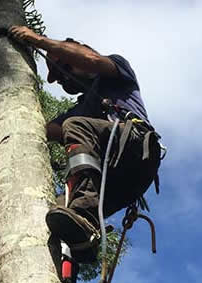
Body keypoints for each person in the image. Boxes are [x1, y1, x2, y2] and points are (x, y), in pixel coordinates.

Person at [9, 26, 162, 263]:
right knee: (56, 210)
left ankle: (84, 214)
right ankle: (79, 242)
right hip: (118, 183)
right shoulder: (81, 109)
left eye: (65, 66)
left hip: (136, 148)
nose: (63, 78)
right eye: (59, 79)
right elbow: (45, 130)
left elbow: (91, 61)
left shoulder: (116, 70)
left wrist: (37, 41)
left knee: (76, 126)